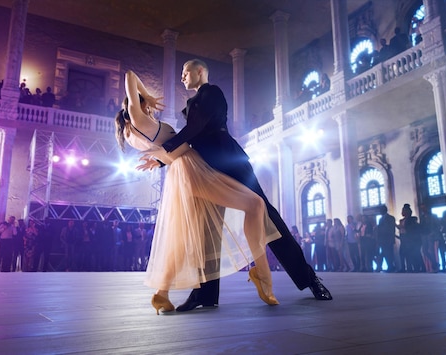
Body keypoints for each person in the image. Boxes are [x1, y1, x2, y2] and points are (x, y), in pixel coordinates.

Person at [142, 59, 332, 312]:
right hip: (207, 167)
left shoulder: (212, 92)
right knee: (207, 229)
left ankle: (309, 279)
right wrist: (163, 161)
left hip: (230, 160)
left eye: (186, 72)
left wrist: (163, 152)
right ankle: (204, 294)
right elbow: (192, 138)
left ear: (200, 71)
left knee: (268, 216)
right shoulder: (192, 102)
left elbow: (195, 128)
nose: (182, 77)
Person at [116, 70, 281, 314]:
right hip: (191, 169)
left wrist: (161, 159)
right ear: (134, 106)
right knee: (255, 204)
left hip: (183, 171)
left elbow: (171, 149)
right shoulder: (138, 119)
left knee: (183, 237)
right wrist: (146, 95)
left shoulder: (135, 130)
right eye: (144, 105)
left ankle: (162, 294)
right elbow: (130, 75)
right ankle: (262, 273)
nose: (151, 108)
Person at [375, 205, 396, 272]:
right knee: (384, 253)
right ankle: (389, 266)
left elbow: (390, 229)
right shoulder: (381, 219)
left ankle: (390, 266)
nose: (380, 211)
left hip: (388, 239)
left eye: (381, 210)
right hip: (382, 239)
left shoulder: (390, 218)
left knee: (389, 253)